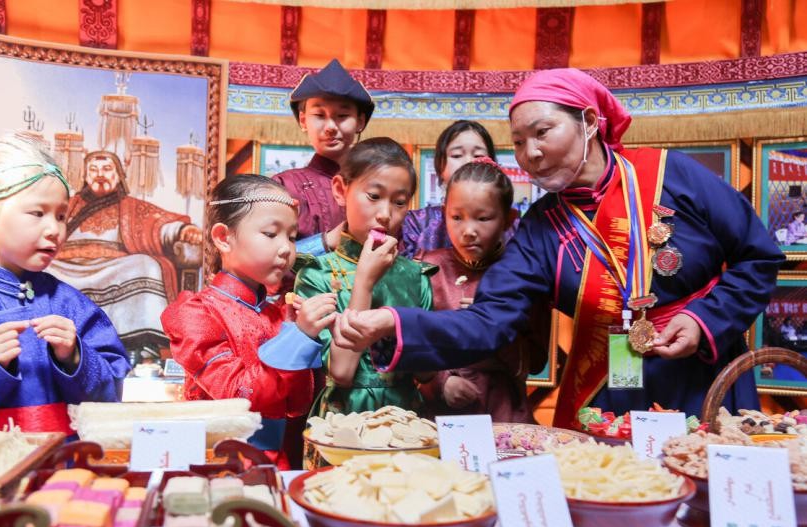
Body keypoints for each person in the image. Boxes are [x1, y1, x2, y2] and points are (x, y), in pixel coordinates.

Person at [331, 68, 784, 429]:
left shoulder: (670, 173)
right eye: (519, 142)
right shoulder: (540, 229)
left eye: (542, 132)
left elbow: (758, 257)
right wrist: (394, 322)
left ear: (589, 121)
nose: (529, 153)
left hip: (705, 366)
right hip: (610, 381)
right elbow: (489, 322)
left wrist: (703, 319)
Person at [0, 134, 129, 434]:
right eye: (38, 213)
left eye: (61, 216)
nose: (54, 229)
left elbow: (110, 397)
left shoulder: (71, 304)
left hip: (64, 470)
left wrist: (75, 356)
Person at [160, 174, 338, 468]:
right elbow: (240, 398)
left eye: (292, 237)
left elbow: (300, 405)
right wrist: (299, 337)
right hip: (219, 465)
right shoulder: (196, 314)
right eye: (271, 234)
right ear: (223, 237)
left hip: (284, 464)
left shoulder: (282, 311)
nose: (286, 249)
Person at [294, 138, 435, 416]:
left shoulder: (416, 275)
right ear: (340, 190)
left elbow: (427, 372)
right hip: (343, 421)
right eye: (373, 196)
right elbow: (342, 372)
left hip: (405, 418)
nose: (385, 214)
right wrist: (364, 282)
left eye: (399, 202)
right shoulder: (316, 274)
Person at [415, 157, 549, 422]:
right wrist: (440, 382)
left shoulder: (521, 275)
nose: (468, 231)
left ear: (508, 219)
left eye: (483, 218)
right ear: (444, 214)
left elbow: (535, 360)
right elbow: (411, 346)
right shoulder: (426, 269)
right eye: (457, 217)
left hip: (504, 410)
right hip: (439, 415)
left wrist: (491, 324)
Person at [49, 150, 203, 355]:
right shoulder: (69, 204)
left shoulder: (131, 207)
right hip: (67, 266)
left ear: (118, 175)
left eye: (106, 169)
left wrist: (183, 231)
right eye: (93, 170)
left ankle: (140, 344)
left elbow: (158, 224)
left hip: (114, 266)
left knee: (147, 265)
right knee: (45, 268)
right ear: (85, 176)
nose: (99, 174)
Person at [274, 59, 375, 252]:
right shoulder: (283, 186)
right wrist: (327, 241)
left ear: (360, 121)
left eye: (342, 116)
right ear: (303, 120)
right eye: (319, 115)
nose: (330, 127)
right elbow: (268, 255)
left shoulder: (375, 186)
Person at [402, 120, 499, 259]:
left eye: (478, 155)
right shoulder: (416, 223)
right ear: (440, 166)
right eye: (457, 155)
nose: (468, 162)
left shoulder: (510, 225)